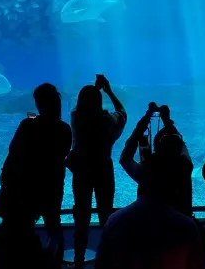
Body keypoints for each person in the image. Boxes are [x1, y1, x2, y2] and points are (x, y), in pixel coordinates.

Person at [0, 82, 72, 261]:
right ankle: (55, 262)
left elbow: (13, 152)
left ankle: (26, 261)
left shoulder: (27, 125)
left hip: (27, 186)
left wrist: (6, 179)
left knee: (25, 227)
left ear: (38, 103)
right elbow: (62, 154)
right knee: (54, 226)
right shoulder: (64, 129)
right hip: (52, 186)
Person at [69, 73, 127, 266]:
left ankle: (78, 259)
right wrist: (108, 90)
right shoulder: (107, 122)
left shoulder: (76, 118)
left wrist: (93, 90)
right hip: (103, 170)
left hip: (81, 171)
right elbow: (122, 113)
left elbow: (84, 109)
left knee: (81, 216)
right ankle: (108, 259)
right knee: (106, 215)